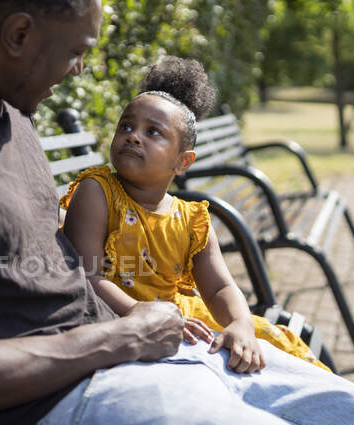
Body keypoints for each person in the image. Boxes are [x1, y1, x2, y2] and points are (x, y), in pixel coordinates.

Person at [0, 0, 354, 424]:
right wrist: (126, 336)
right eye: (74, 51)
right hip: (67, 391)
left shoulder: (11, 117)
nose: (77, 71)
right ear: (19, 33)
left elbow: (60, 270)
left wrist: (149, 331)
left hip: (144, 354)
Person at [60, 56, 330, 374]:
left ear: (182, 162)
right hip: (121, 321)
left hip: (182, 316)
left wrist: (240, 323)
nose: (134, 136)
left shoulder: (190, 220)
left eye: (153, 132)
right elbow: (88, 275)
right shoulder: (97, 192)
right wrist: (137, 310)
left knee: (272, 340)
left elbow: (219, 289)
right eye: (127, 126)